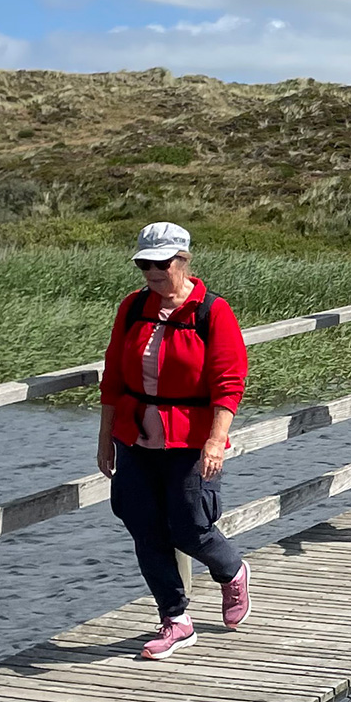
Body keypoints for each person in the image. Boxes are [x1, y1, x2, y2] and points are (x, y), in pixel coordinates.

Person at [98, 222, 252, 659]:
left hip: (189, 436)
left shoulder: (212, 311)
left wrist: (215, 441)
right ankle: (175, 619)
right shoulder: (132, 308)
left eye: (160, 264)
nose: (151, 272)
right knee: (144, 527)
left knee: (190, 526)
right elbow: (112, 378)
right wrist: (105, 437)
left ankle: (231, 571)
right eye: (144, 264)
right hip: (135, 436)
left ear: (183, 261)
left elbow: (229, 381)